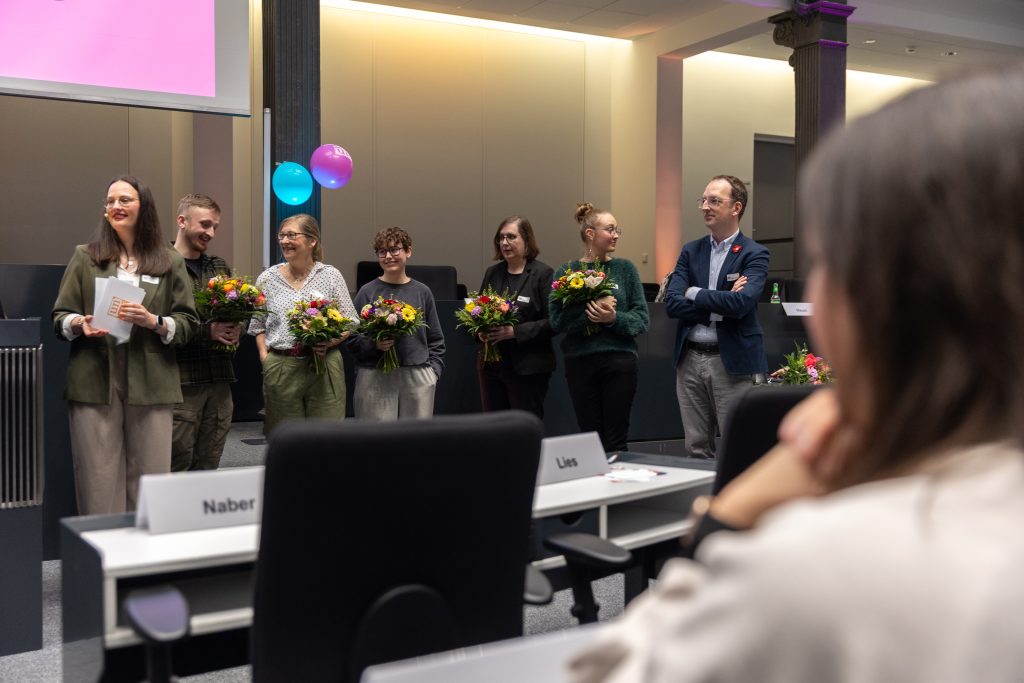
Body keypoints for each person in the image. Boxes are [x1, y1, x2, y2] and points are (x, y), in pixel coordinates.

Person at [569, 63, 1024, 682]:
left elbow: (609, 673)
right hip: (692, 362)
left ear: (864, 295)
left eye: (828, 258)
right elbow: (682, 300)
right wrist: (710, 296)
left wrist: (728, 521)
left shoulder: (814, 569)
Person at [51, 175, 198, 515]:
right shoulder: (85, 257)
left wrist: (153, 321)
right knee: (98, 478)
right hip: (95, 376)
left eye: (124, 200)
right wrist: (79, 323)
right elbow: (60, 317)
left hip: (152, 377)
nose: (115, 206)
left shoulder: (169, 260)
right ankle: (103, 547)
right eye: (110, 201)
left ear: (143, 207)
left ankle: (144, 548)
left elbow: (188, 324)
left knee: (150, 478)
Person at [664, 175, 769, 459]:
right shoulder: (691, 250)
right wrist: (721, 302)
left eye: (714, 201)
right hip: (689, 359)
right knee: (696, 447)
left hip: (732, 360)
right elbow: (672, 303)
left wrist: (693, 292)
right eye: (703, 200)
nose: (704, 207)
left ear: (736, 207)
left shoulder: (755, 253)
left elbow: (741, 304)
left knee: (739, 446)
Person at [549, 203, 649, 453]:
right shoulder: (566, 272)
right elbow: (557, 321)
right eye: (610, 229)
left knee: (616, 439)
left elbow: (641, 319)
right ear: (590, 234)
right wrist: (591, 315)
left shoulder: (626, 269)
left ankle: (619, 479)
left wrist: (613, 318)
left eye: (617, 230)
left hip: (619, 361)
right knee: (590, 438)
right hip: (580, 362)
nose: (616, 235)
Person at [248, 214, 355, 436]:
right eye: (282, 236)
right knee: (285, 438)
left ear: (312, 240)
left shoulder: (330, 275)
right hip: (281, 365)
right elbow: (257, 324)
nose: (284, 241)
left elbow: (351, 321)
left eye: (291, 235)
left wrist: (329, 341)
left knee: (327, 436)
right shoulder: (267, 278)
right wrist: (265, 357)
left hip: (324, 364)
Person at [170, 194, 240, 471]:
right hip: (182, 383)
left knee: (209, 465)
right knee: (176, 466)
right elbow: (156, 324)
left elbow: (236, 313)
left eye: (215, 227)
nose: (210, 233)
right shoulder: (161, 265)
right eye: (205, 224)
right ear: (182, 221)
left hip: (220, 382)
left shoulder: (218, 266)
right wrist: (206, 332)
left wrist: (237, 329)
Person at [349, 227, 445, 420]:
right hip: (375, 375)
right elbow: (352, 338)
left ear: (408, 251)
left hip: (417, 375)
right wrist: (374, 345)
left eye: (394, 250)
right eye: (382, 251)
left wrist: (433, 372)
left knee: (415, 435)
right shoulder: (367, 292)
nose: (388, 256)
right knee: (377, 436)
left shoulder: (422, 292)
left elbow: (436, 339)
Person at [477, 215, 555, 419]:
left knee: (522, 427)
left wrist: (515, 332)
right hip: (492, 366)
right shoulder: (493, 273)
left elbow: (554, 322)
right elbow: (479, 311)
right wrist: (480, 331)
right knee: (494, 427)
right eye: (501, 237)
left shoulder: (543, 274)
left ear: (526, 240)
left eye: (511, 237)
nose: (504, 243)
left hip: (528, 368)